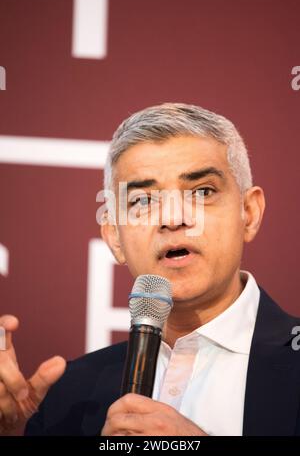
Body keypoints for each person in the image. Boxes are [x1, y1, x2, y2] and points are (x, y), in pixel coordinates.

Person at [0, 103, 299, 436]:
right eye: (142, 200)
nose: (173, 218)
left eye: (202, 192)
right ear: (114, 237)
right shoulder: (65, 398)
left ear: (249, 212)